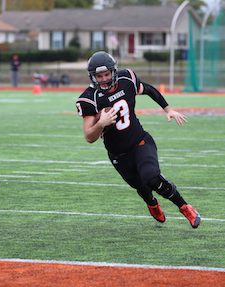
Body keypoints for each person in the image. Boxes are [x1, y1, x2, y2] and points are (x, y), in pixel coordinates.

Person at [75, 51, 201, 228]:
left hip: (140, 141)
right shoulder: (90, 98)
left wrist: (168, 109)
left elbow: (148, 89)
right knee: (140, 186)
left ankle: (184, 206)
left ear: (113, 71)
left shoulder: (127, 79)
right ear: (92, 77)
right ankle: (151, 203)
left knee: (151, 177)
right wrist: (101, 124)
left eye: (106, 74)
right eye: (99, 76)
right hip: (118, 154)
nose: (103, 79)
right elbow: (89, 137)